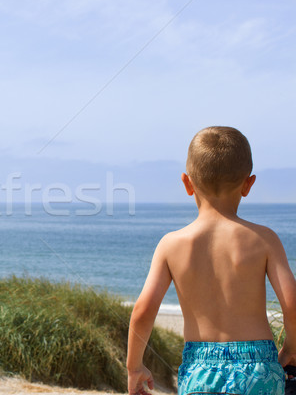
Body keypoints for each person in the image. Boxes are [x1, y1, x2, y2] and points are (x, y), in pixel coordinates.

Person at [126, 126, 296, 395]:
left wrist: (134, 367)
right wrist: (291, 347)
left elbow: (143, 311)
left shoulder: (171, 244)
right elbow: (292, 303)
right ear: (248, 184)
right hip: (259, 366)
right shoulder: (265, 239)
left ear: (187, 183)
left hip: (200, 369)